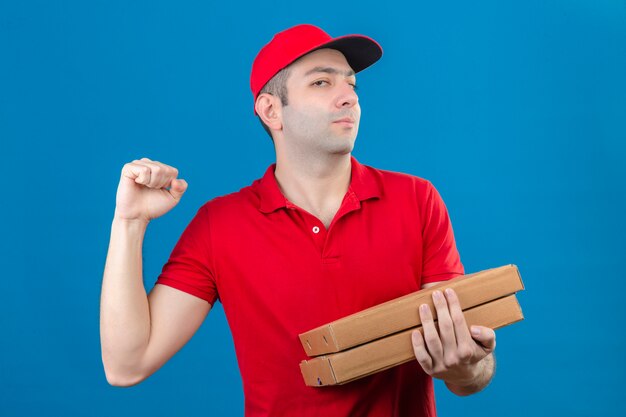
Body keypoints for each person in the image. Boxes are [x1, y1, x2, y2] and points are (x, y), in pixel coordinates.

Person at [100, 24, 496, 416]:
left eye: (352, 85)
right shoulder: (219, 225)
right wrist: (129, 222)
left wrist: (467, 367)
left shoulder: (417, 200)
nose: (348, 98)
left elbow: (469, 374)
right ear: (272, 110)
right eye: (322, 83)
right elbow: (126, 364)